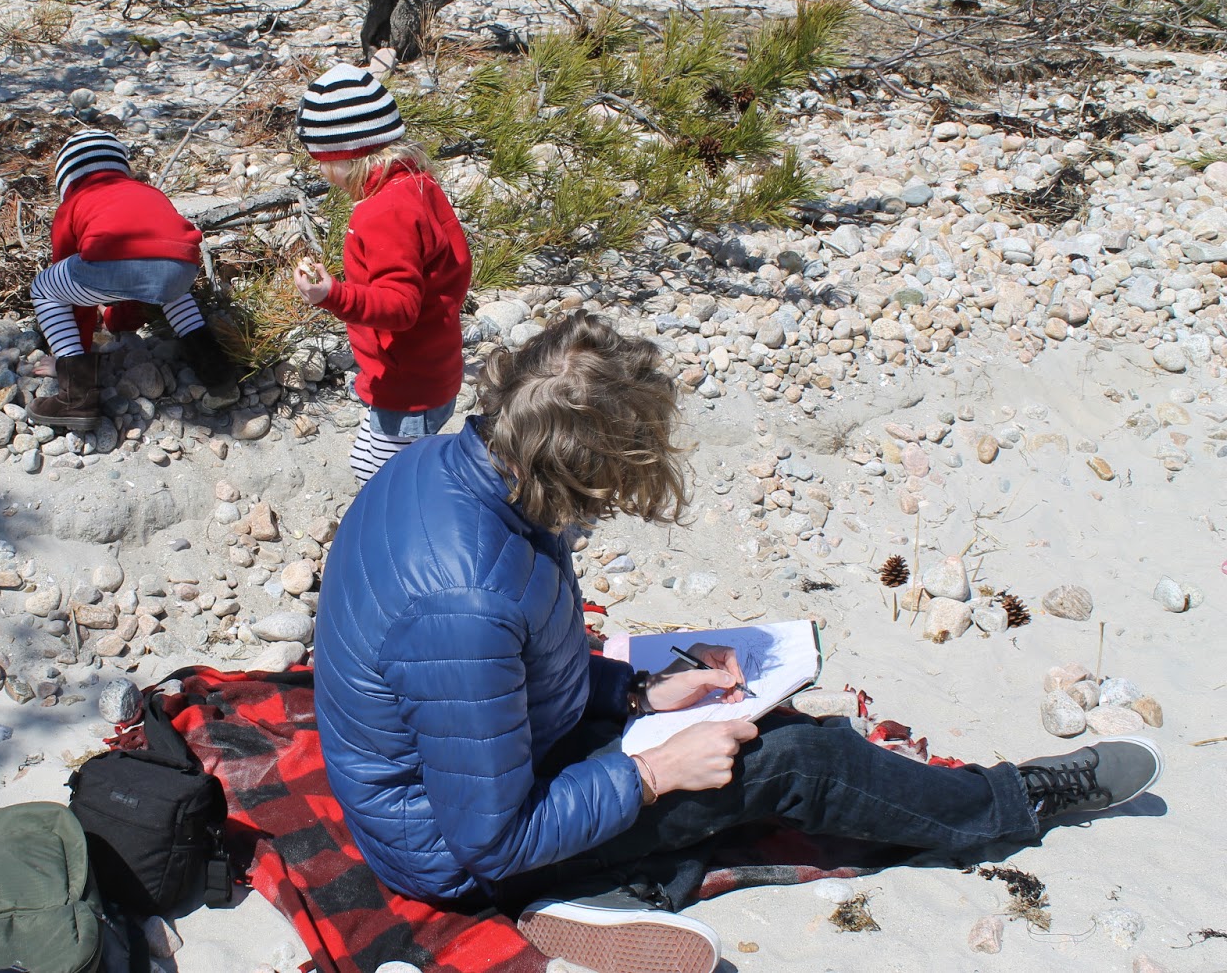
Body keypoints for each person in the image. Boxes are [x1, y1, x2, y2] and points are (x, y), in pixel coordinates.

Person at [311, 311, 1163, 973]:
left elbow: (507, 680)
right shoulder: (465, 602)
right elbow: (488, 838)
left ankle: (618, 887)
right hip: (458, 853)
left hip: (481, 769)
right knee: (795, 759)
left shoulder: (458, 466)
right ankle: (1014, 804)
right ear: (570, 466)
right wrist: (652, 772)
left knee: (731, 703)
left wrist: (639, 694)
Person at [291, 59, 473, 484]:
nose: (319, 170)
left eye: (320, 158)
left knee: (378, 476)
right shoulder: (418, 184)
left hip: (407, 385)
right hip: (430, 368)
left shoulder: (383, 211)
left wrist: (332, 294)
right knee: (384, 461)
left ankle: (398, 538)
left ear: (346, 155)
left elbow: (401, 306)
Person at [27, 130, 237, 429]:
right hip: (183, 264)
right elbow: (147, 279)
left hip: (112, 263)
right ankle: (218, 372)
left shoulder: (73, 203)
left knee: (46, 288)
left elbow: (70, 293)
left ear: (67, 180)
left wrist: (72, 357)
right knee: (172, 290)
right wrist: (117, 320)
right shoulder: (149, 192)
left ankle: (78, 394)